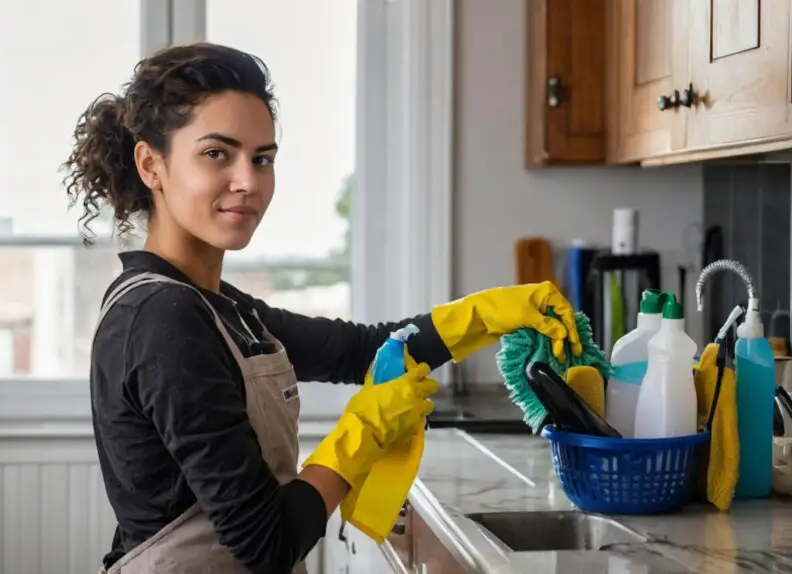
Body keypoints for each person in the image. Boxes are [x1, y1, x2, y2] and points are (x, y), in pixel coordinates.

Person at [63, 42, 583, 574]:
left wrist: (488, 314)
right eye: (217, 153)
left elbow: (361, 351)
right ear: (152, 164)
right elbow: (268, 544)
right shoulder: (163, 318)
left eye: (262, 158)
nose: (248, 181)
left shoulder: (214, 307)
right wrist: (358, 436)